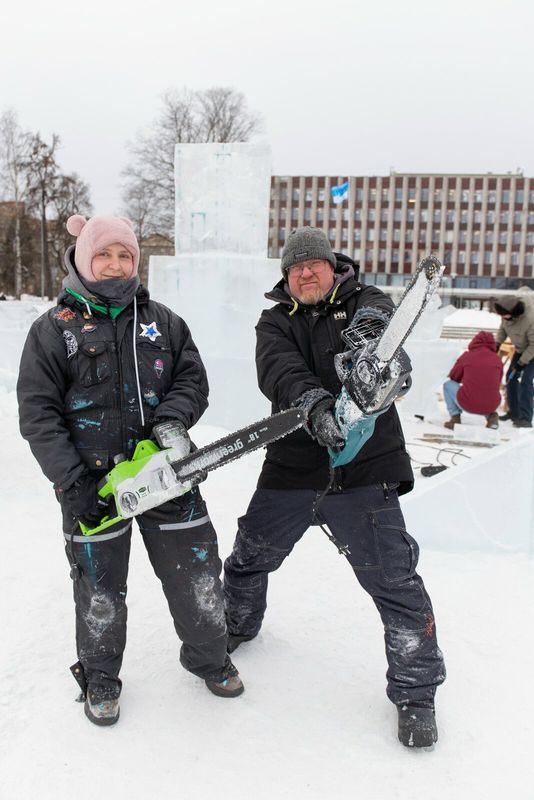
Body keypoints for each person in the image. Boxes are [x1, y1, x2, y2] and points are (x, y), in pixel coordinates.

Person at [17, 214, 244, 727]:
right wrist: (71, 481)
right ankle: (100, 676)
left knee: (197, 575)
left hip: (167, 473)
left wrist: (171, 422)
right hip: (93, 486)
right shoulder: (54, 329)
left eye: (125, 255)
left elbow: (192, 379)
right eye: (104, 254)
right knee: (98, 590)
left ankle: (209, 657)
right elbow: (38, 413)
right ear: (83, 258)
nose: (115, 264)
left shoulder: (163, 321)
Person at [223, 227, 445, 748]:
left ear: (332, 267)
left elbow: (381, 325)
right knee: (248, 557)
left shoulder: (366, 300)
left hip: (367, 470)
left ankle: (416, 693)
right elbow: (278, 371)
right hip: (293, 467)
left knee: (395, 582)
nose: (306, 273)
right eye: (295, 268)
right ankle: (236, 624)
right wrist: (316, 405)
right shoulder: (274, 321)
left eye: (314, 264)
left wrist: (373, 355)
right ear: (286, 277)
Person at [442, 331, 503, 430]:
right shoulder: (497, 359)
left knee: (448, 385)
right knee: (488, 392)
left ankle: (455, 418)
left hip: (467, 403)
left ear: (475, 341)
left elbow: (454, 377)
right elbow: (497, 382)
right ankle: (491, 416)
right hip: (491, 404)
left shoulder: (467, 356)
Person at [494, 293, 534, 428]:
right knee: (511, 377)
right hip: (520, 349)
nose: (502, 318)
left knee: (526, 381)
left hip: (532, 350)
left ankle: (526, 418)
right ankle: (514, 412)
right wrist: (497, 344)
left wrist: (521, 363)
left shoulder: (530, 318)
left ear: (513, 313)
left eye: (504, 315)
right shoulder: (506, 315)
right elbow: (502, 330)